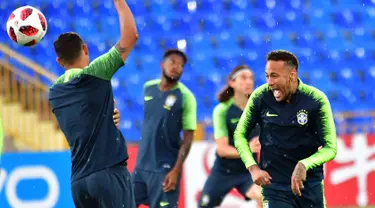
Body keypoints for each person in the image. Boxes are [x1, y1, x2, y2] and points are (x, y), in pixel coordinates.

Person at [48, 0, 138, 207]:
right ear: (85, 48)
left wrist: (109, 115)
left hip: (79, 182)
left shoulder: (54, 92)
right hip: (107, 173)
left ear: (59, 62)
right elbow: (131, 36)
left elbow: (83, 117)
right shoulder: (96, 72)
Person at [234, 50, 337, 208]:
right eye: (267, 76)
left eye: (274, 76)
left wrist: (304, 164)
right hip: (274, 188)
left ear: (292, 75)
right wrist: (253, 168)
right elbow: (240, 134)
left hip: (310, 187)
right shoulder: (260, 97)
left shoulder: (316, 99)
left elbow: (331, 148)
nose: (269, 82)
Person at [132, 49, 197, 208]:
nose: (176, 67)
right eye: (173, 62)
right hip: (141, 167)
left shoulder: (186, 96)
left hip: (165, 169)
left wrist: (176, 170)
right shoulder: (148, 88)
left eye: (181, 65)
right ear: (162, 64)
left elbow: (188, 139)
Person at [198, 65, 262, 208]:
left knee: (264, 196)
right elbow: (222, 150)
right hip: (223, 172)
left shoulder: (258, 109)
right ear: (231, 82)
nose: (249, 82)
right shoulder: (222, 110)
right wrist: (248, 149)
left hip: (248, 171)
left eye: (251, 78)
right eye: (243, 78)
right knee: (203, 205)